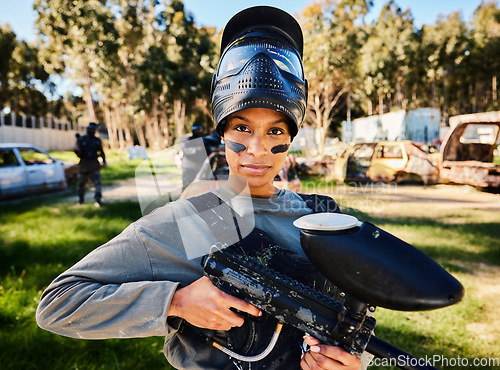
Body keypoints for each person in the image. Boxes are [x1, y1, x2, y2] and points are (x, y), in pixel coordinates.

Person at [36, 6, 364, 370]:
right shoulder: (198, 218)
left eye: (275, 131)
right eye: (241, 128)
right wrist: (176, 302)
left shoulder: (321, 219)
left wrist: (347, 363)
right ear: (221, 133)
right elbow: (59, 304)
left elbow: (347, 330)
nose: (257, 149)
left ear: (290, 139)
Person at [75, 122, 107, 207]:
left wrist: (104, 161)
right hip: (84, 165)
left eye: (94, 130)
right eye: (91, 129)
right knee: (81, 183)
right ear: (88, 129)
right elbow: (77, 152)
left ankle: (98, 200)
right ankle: (81, 199)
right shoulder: (81, 139)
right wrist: (76, 150)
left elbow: (101, 152)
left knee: (97, 183)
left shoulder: (97, 140)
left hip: (94, 165)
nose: (92, 131)